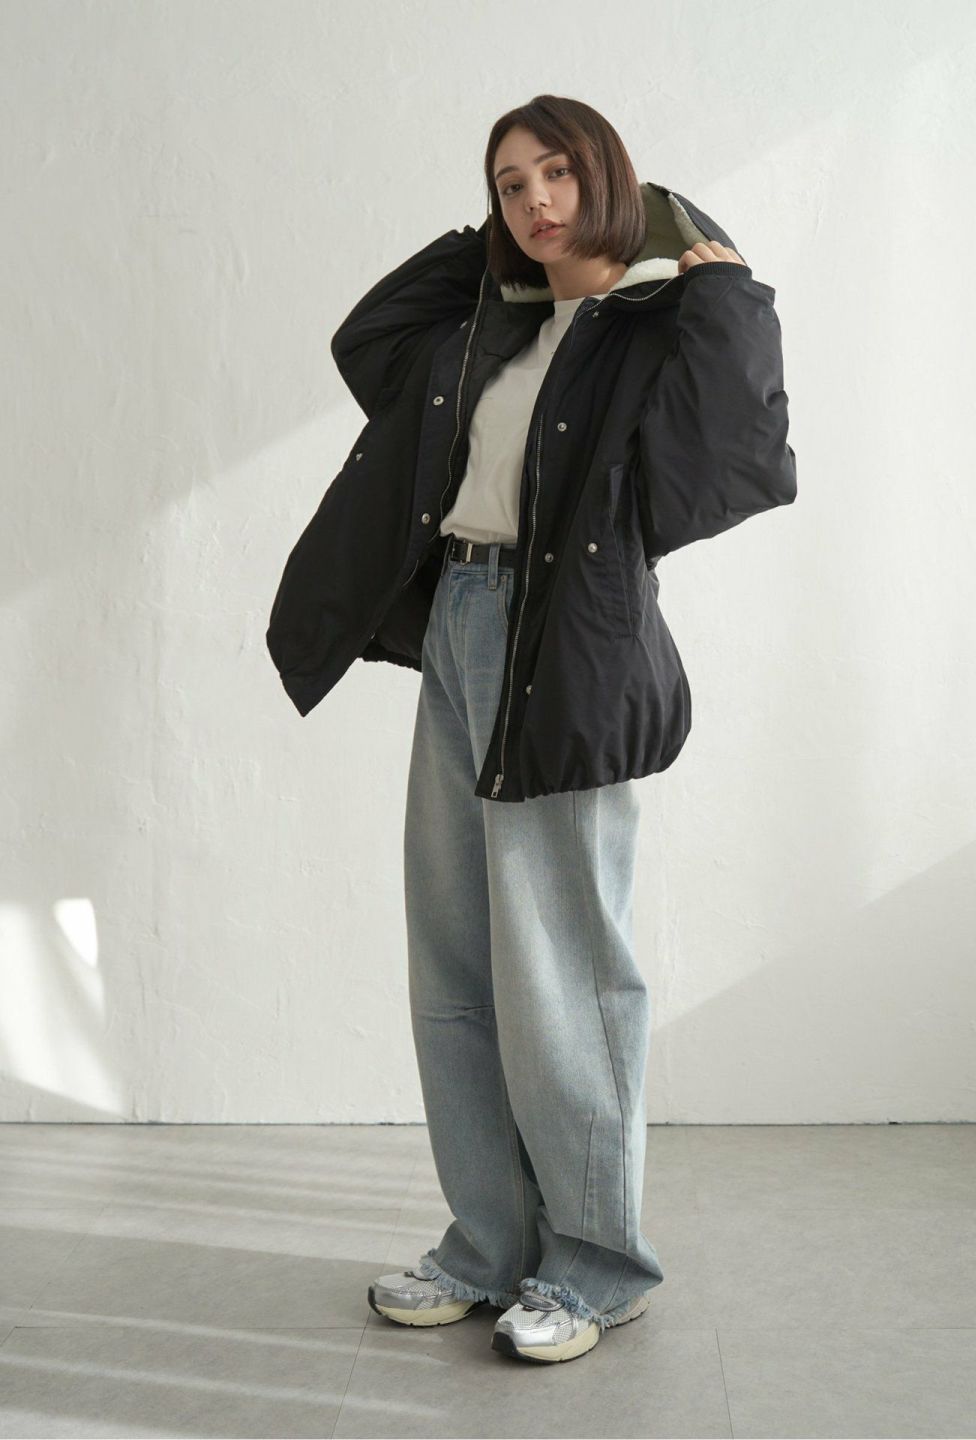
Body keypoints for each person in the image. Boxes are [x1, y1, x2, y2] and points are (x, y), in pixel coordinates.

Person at [266, 93, 796, 1364]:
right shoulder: (486, 329)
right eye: (512, 184)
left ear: (612, 177)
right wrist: (489, 251)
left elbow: (741, 464)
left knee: (565, 969)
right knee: (456, 964)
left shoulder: (652, 330)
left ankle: (599, 1265)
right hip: (458, 621)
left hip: (564, 649)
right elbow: (365, 338)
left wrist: (723, 288)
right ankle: (488, 1244)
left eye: (558, 173)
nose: (537, 200)